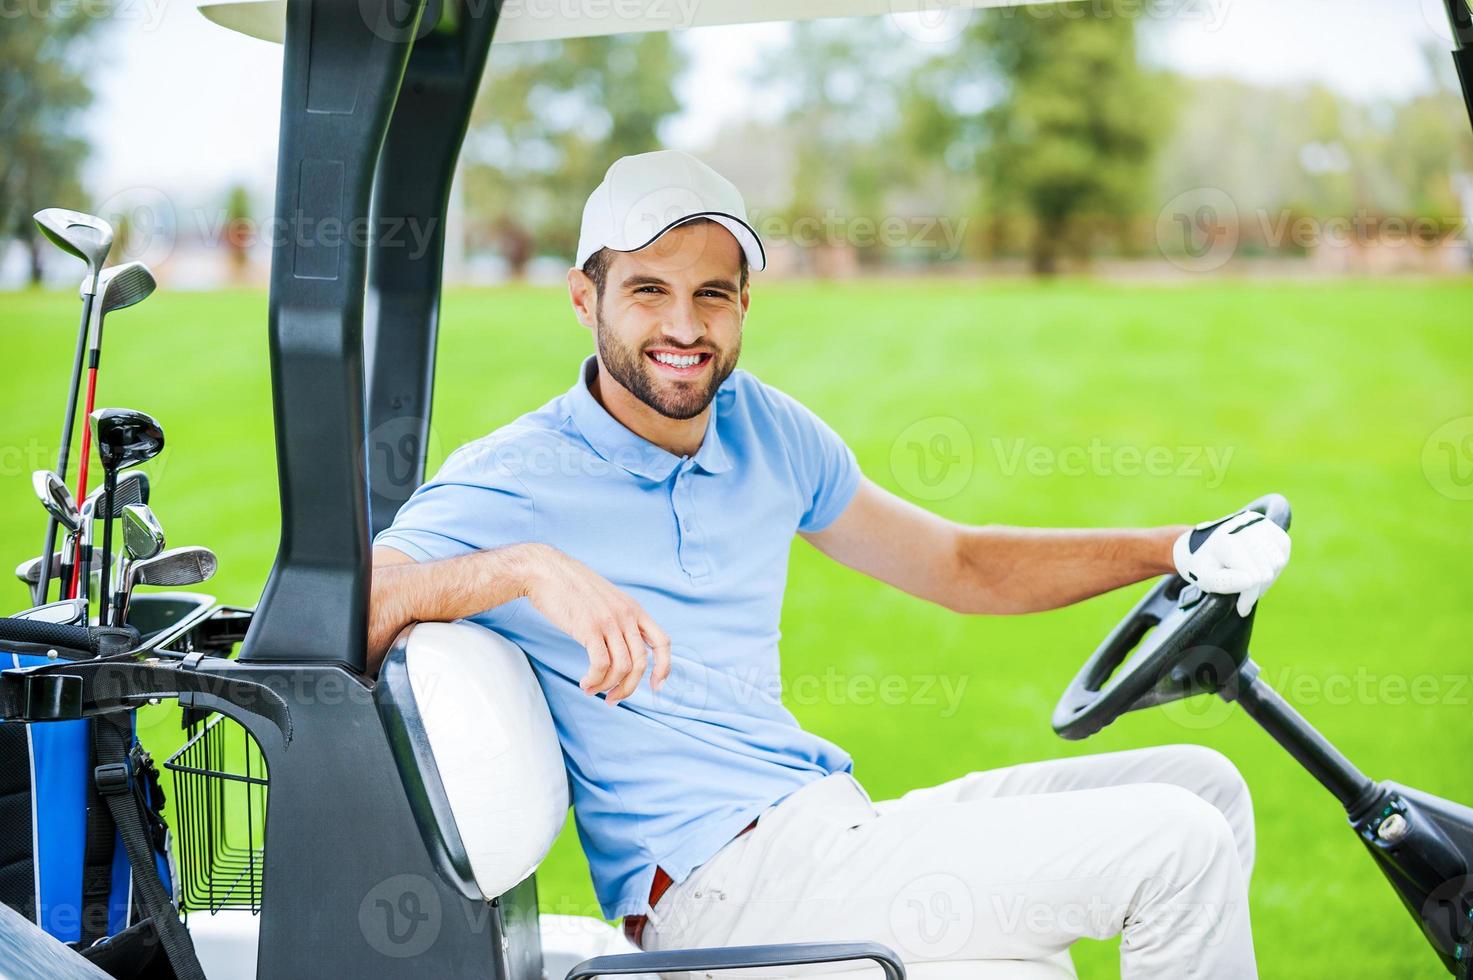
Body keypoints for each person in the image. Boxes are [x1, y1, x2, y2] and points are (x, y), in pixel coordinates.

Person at [369, 149, 1290, 977]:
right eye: (648, 291)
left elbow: (959, 564)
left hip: (825, 827)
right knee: (1175, 843)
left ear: (742, 305)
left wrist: (1173, 548)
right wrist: (525, 567)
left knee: (1201, 785)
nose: (683, 328)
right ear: (585, 299)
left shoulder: (763, 427)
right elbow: (342, 607)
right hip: (716, 890)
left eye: (712, 295)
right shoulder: (516, 475)